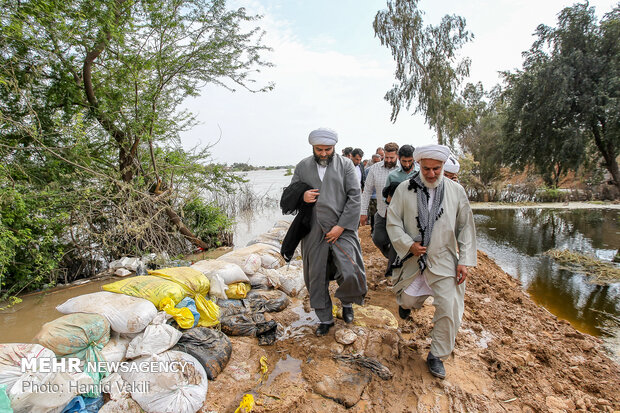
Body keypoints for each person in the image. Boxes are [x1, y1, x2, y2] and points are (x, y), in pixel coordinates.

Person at [386, 144, 476, 379]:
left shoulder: (456, 191)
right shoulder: (404, 189)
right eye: (426, 169)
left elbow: (466, 227)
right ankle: (407, 306)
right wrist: (408, 245)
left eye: (436, 169)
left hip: (444, 259)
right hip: (413, 260)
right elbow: (393, 222)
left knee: (449, 308)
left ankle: (437, 355)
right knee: (407, 300)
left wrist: (464, 260)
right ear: (418, 165)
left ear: (443, 166)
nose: (431, 173)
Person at [284, 128, 367, 337]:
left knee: (350, 269)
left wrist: (341, 226)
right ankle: (325, 319)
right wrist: (302, 196)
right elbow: (292, 191)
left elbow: (355, 197)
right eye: (318, 149)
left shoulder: (346, 165)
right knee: (316, 275)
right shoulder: (303, 166)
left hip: (343, 228)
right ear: (312, 147)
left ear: (334, 147)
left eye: (327, 149)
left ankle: (347, 304)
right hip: (313, 229)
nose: (323, 153)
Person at [360, 142, 399, 276]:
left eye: (391, 158)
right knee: (378, 239)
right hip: (381, 212)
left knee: (395, 242)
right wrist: (363, 212)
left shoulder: (402, 169)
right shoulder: (375, 169)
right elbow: (367, 191)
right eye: (386, 157)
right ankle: (395, 258)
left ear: (397, 156)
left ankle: (391, 271)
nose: (388, 160)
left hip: (399, 216)